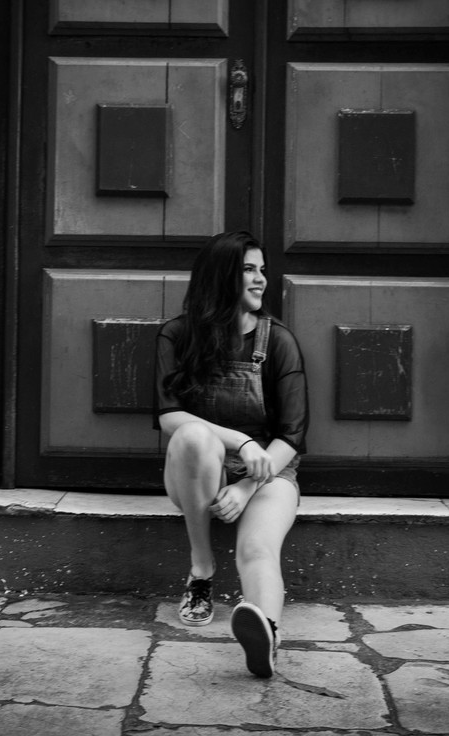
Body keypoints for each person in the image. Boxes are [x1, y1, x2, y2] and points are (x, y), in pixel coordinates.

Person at [154, 231, 309, 679]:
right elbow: (169, 416)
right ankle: (201, 570)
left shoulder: (278, 341)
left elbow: (292, 435)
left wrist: (247, 485)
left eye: (262, 270)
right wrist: (240, 441)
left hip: (269, 471)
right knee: (194, 436)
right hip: (195, 469)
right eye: (249, 270)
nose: (261, 280)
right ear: (221, 276)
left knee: (258, 548)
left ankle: (266, 631)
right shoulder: (177, 335)